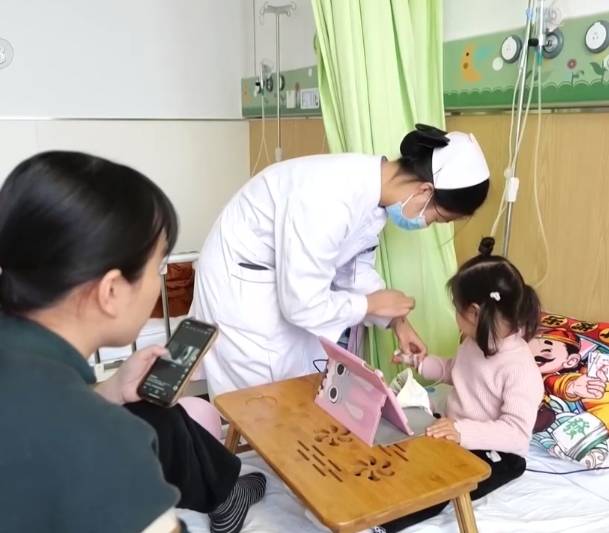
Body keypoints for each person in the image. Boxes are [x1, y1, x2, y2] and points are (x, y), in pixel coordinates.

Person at [0, 152, 265, 533]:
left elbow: (20, 431)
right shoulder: (106, 441)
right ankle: (227, 496)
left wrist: (110, 391)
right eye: (157, 267)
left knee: (153, 411)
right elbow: (55, 436)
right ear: (110, 290)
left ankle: (226, 496)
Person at [193, 124, 492, 398]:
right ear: (425, 191)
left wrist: (397, 322)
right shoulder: (329, 198)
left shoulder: (372, 198)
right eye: (437, 218)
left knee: (296, 392)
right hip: (243, 292)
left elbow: (354, 270)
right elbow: (302, 304)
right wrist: (371, 305)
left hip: (280, 287)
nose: (427, 224)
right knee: (256, 404)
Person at [378, 237, 544, 533]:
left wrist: (461, 432)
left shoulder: (519, 368)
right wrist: (418, 362)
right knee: (401, 446)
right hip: (455, 431)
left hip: (496, 452)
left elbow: (517, 436)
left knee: (437, 482)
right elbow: (455, 371)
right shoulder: (475, 341)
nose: (455, 316)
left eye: (456, 309)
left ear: (474, 312)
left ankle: (383, 523)